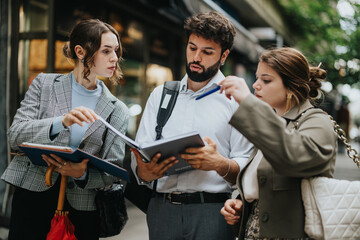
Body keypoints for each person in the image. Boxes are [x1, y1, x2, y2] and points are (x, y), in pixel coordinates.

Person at [2, 19, 129, 240]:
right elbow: (15, 135)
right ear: (80, 51)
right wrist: (61, 121)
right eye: (106, 50)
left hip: (82, 208)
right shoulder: (44, 85)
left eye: (116, 51)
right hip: (33, 197)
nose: (115, 58)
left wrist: (84, 174)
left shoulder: (117, 109)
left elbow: (113, 172)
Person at [131, 11, 253, 240]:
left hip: (212, 212)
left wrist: (220, 164)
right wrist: (144, 172)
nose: (196, 58)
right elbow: (141, 153)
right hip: (162, 210)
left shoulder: (236, 100)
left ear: (224, 55)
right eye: (192, 48)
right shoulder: (161, 95)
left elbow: (246, 163)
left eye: (207, 52)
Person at [219, 47, 337, 239]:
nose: (256, 85)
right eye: (257, 78)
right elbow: (266, 183)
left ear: (291, 86)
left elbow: (293, 159)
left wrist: (249, 103)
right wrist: (240, 203)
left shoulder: (316, 121)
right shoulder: (273, 121)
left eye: (266, 80)